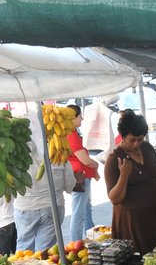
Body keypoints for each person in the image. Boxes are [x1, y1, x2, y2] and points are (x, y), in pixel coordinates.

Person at [104, 111, 156, 254]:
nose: (136, 144)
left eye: (140, 139)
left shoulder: (147, 149)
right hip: (130, 223)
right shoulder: (114, 159)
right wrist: (124, 176)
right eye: (132, 140)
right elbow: (114, 198)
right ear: (122, 136)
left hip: (153, 217)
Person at [13, 105, 69, 252]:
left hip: (25, 206)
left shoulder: (16, 156)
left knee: (24, 250)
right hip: (52, 206)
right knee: (46, 252)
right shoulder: (58, 152)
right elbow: (69, 184)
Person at [66, 104, 100, 243]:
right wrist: (96, 164)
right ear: (72, 118)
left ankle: (90, 237)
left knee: (86, 210)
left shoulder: (72, 133)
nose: (82, 119)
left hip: (83, 176)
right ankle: (75, 242)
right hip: (80, 177)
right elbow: (85, 160)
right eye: (80, 116)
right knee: (79, 213)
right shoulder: (71, 135)